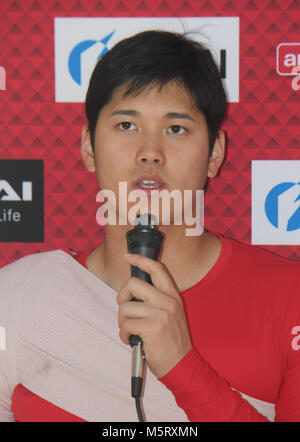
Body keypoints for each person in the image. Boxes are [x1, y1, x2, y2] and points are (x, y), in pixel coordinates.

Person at [1, 29, 300, 423]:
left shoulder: (289, 296)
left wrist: (182, 365)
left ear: (214, 153)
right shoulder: (20, 294)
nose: (149, 153)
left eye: (176, 128)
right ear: (89, 147)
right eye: (127, 125)